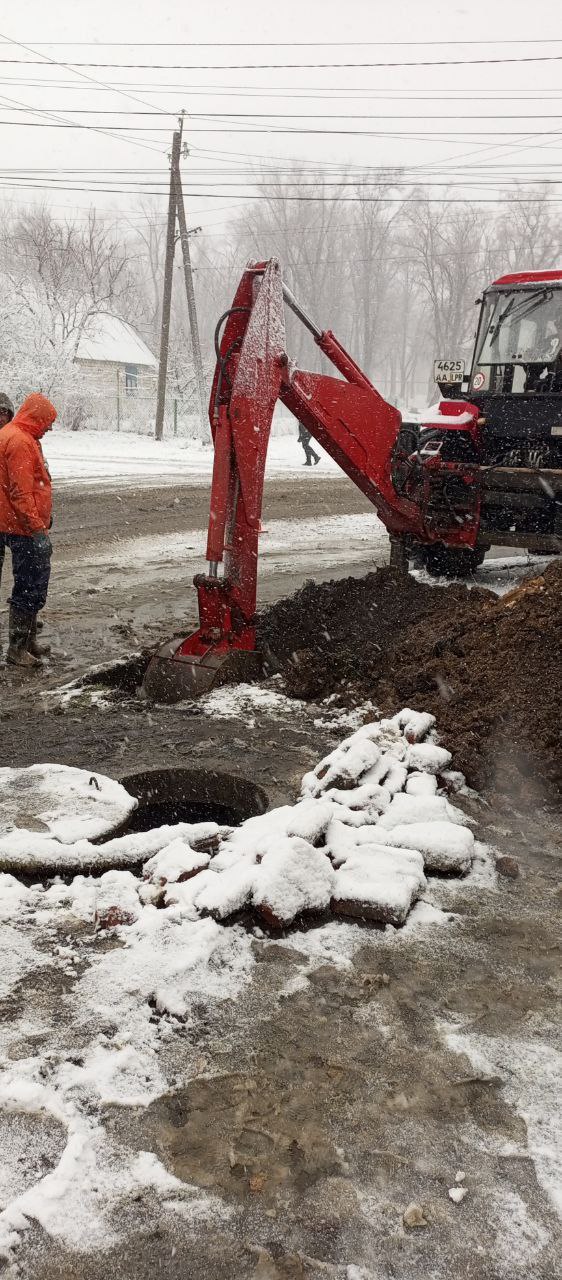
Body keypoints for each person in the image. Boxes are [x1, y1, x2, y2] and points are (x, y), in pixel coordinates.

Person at [0, 392, 57, 667]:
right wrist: (37, 529)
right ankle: (17, 649)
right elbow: (21, 493)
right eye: (47, 422)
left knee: (31, 583)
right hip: (21, 527)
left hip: (15, 523)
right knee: (30, 585)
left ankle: (28, 641)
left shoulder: (17, 435)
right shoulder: (21, 441)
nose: (49, 427)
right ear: (37, 417)